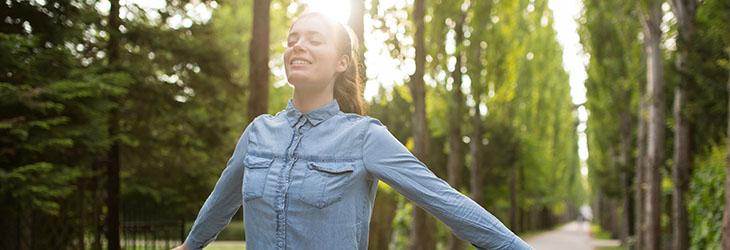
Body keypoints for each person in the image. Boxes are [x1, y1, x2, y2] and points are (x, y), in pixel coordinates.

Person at [173, 12, 531, 250]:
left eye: (314, 39)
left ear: (341, 62)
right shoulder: (257, 134)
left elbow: (443, 199)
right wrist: (190, 246)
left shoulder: (365, 138)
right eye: (292, 38)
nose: (298, 45)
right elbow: (220, 206)